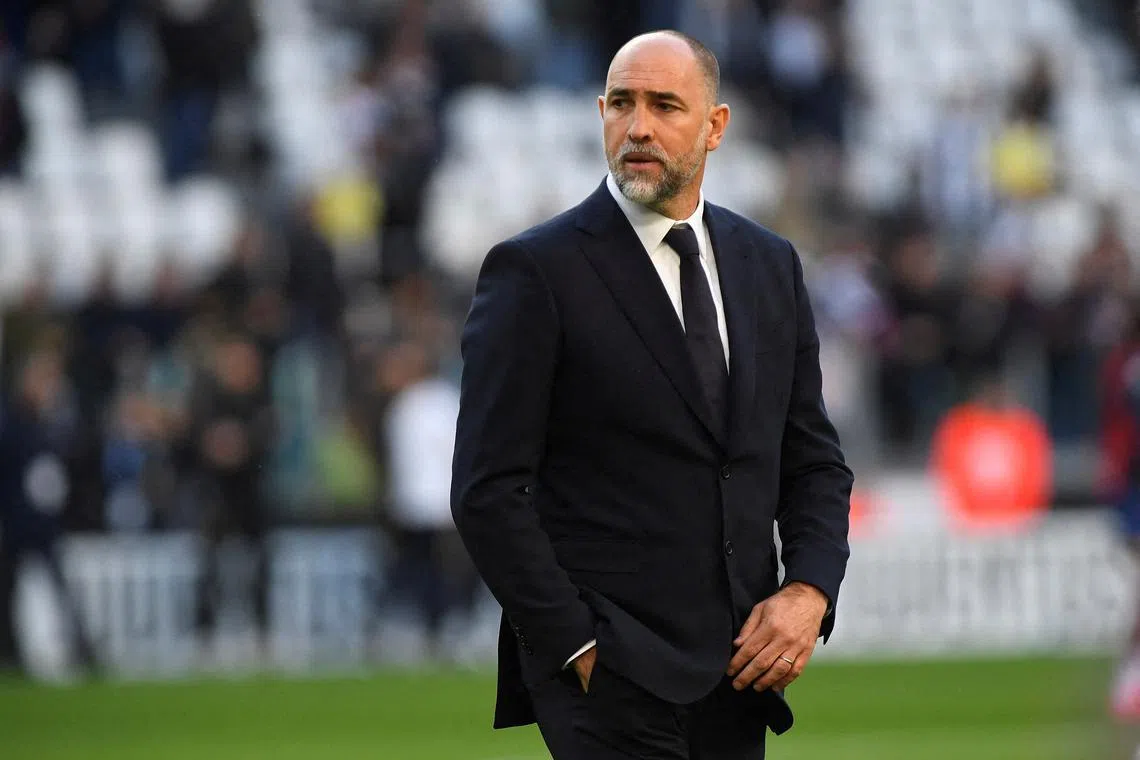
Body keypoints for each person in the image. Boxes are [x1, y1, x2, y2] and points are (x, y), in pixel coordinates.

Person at [451, 31, 852, 759]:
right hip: (608, 677)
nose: (638, 126)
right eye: (623, 104)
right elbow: (487, 489)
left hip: (740, 672)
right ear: (601, 113)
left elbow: (813, 463)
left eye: (665, 105)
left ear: (715, 126)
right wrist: (573, 643)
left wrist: (808, 593)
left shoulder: (770, 266)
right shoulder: (534, 272)